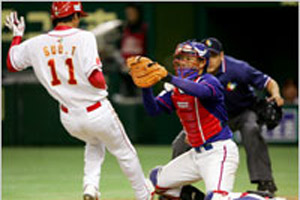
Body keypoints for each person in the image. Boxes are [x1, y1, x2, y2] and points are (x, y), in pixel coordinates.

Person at [5, 2, 151, 200]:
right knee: (125, 153)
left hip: (69, 118)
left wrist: (17, 36)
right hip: (96, 111)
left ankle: (90, 187)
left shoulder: (35, 43)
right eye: (78, 16)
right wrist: (104, 83)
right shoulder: (84, 37)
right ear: (74, 17)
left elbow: (12, 63)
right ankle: (143, 195)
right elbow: (96, 79)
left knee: (94, 143)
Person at [171, 37, 284, 194]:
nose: (211, 60)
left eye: (214, 55)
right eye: (207, 56)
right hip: (212, 118)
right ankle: (175, 187)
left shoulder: (238, 68)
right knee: (179, 143)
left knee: (251, 129)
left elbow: (268, 82)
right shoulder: (192, 71)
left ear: (222, 56)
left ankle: (265, 181)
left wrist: (276, 95)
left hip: (241, 113)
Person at [138, 41, 239, 199]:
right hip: (195, 154)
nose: (183, 62)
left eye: (188, 59)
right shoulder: (175, 88)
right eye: (180, 58)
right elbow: (153, 110)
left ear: (202, 62)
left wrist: (169, 78)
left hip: (219, 152)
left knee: (217, 198)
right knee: (156, 182)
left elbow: (202, 92)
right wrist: (146, 87)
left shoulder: (209, 81)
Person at [119, 3, 148, 98]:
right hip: (125, 70)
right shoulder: (123, 28)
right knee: (125, 98)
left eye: (133, 13)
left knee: (140, 98)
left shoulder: (144, 28)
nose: (130, 15)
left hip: (140, 70)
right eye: (128, 13)